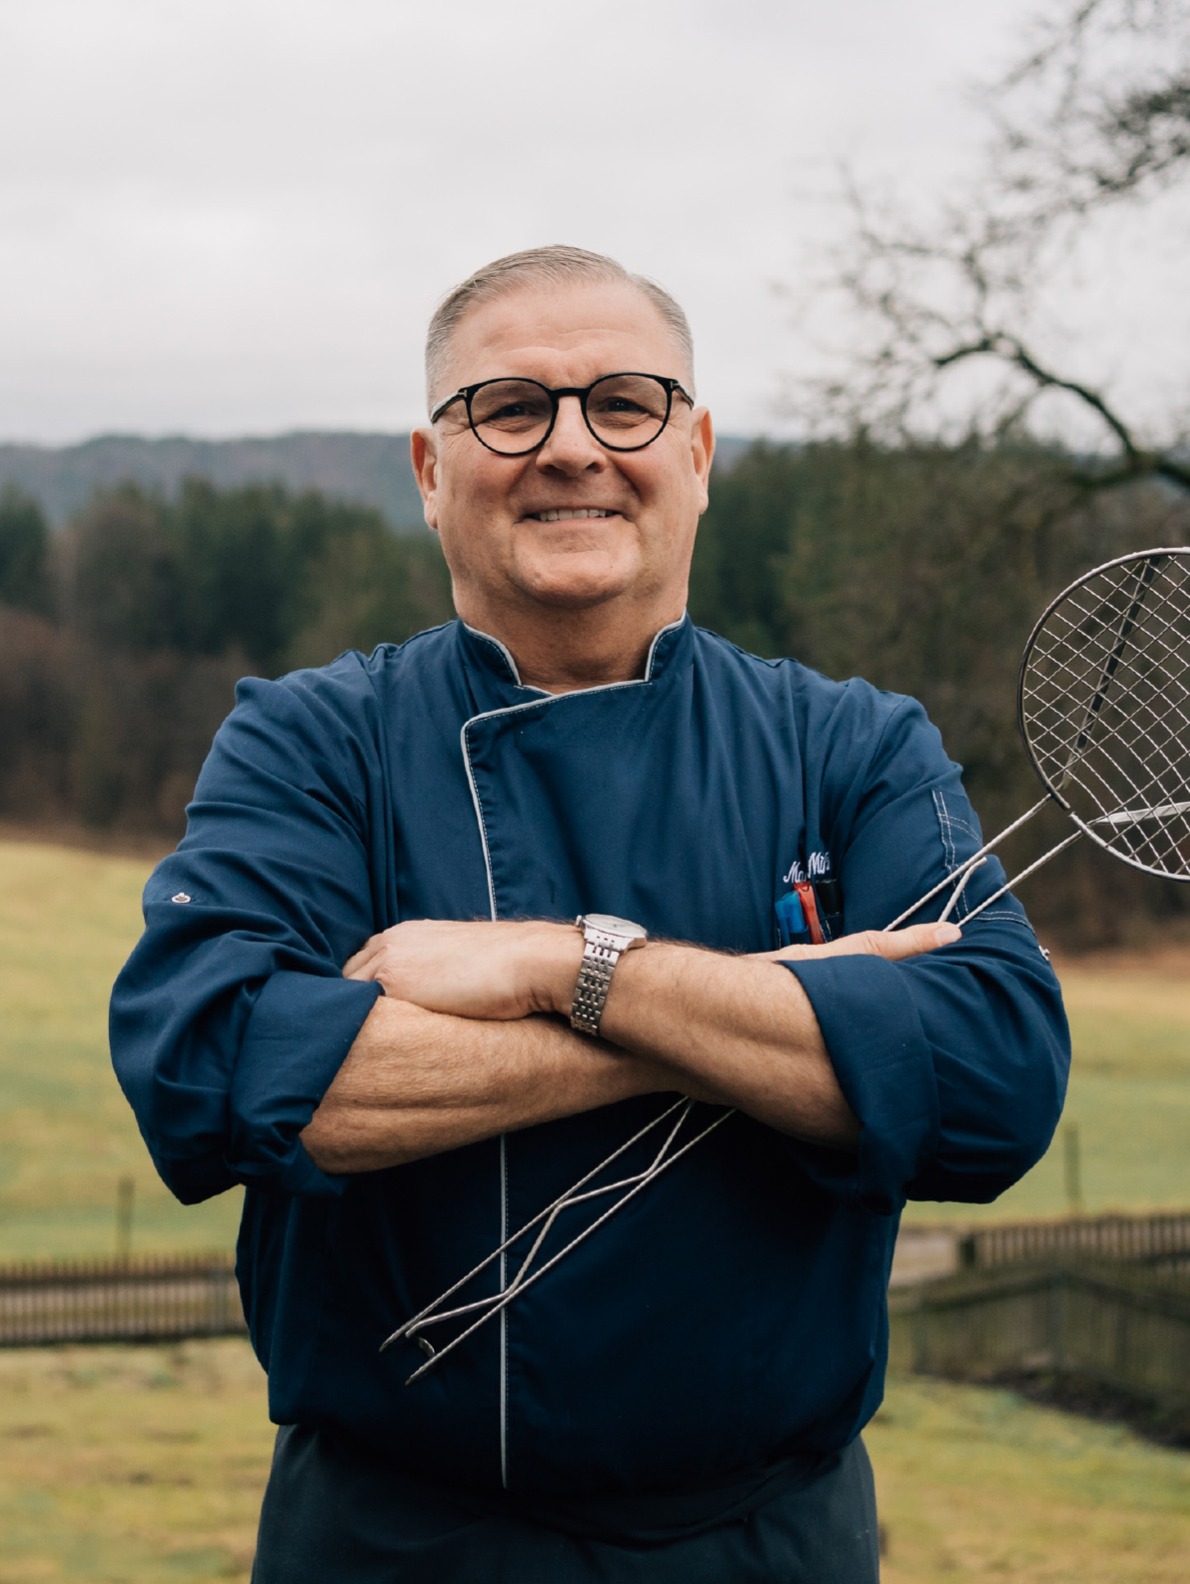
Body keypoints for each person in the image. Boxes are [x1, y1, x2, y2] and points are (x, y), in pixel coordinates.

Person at [110, 244, 1069, 1582]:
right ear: (429, 472)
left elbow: (988, 1085)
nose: (570, 447)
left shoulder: (851, 747)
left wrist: (563, 962)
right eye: (508, 408)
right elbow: (227, 1071)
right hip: (392, 1540)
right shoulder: (310, 743)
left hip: (763, 1543)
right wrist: (775, 1016)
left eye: (625, 403)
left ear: (699, 452)